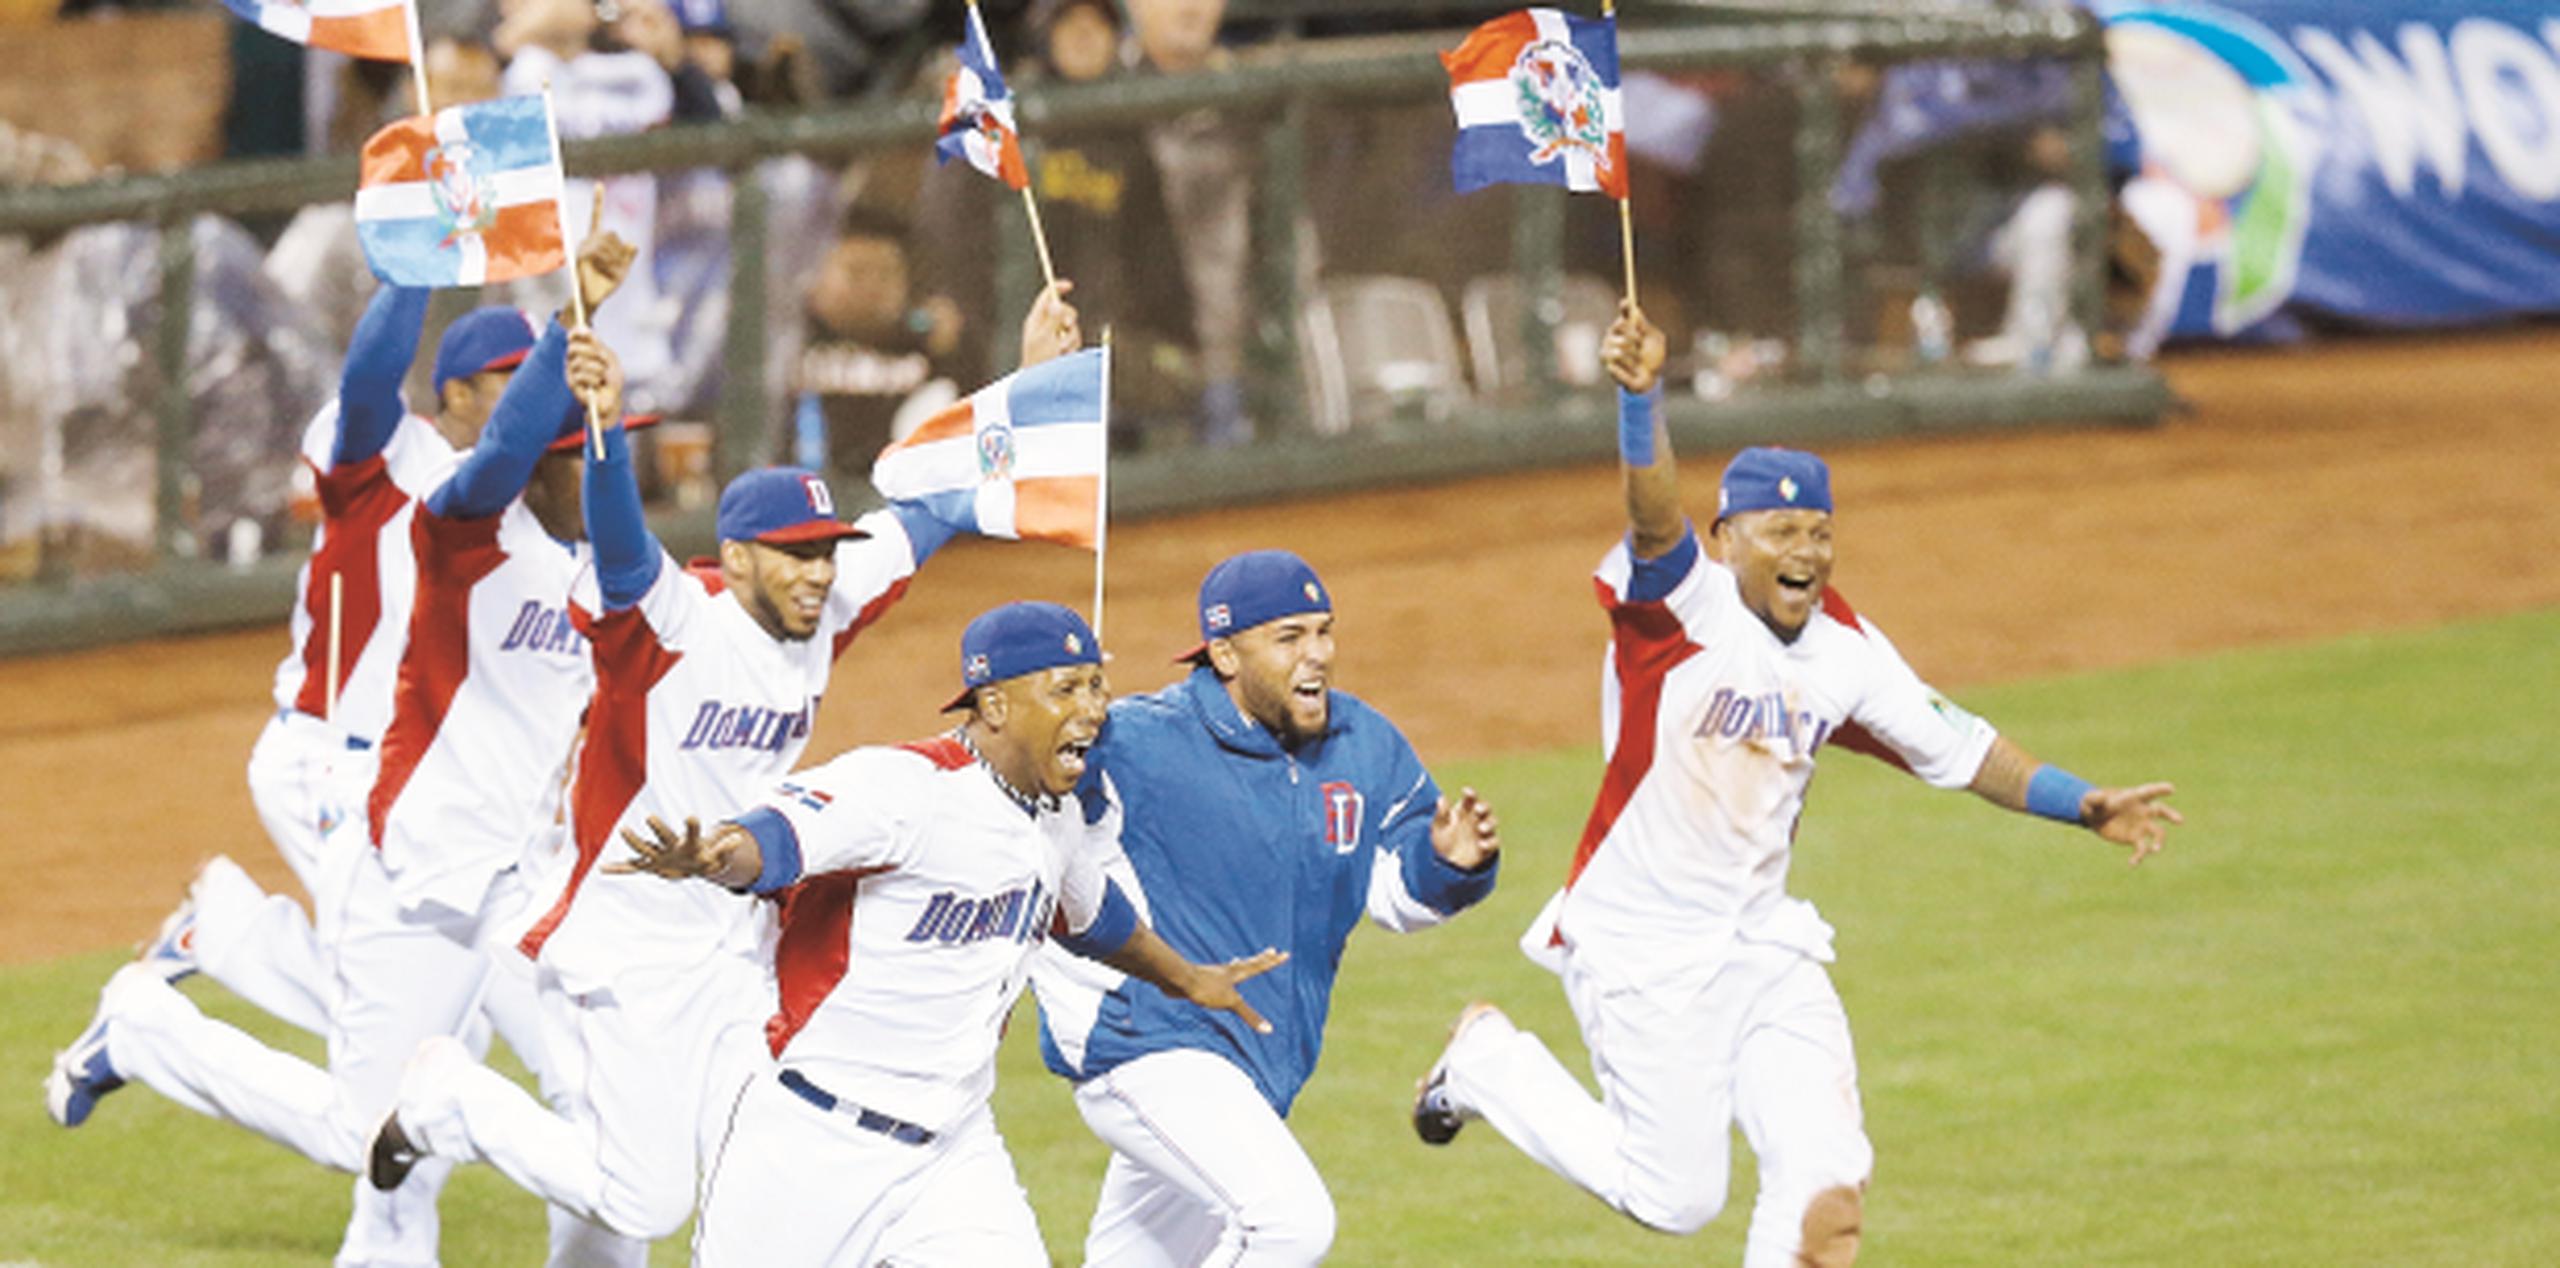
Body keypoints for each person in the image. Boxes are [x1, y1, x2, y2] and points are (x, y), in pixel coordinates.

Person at [1407, 302, 2182, 1267]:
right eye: (1781, 531)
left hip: (1763, 945)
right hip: (1643, 950)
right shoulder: (1680, 612)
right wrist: (1642, 399)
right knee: (1678, 1200)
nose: (1808, 554)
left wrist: (2083, 803)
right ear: (1726, 538)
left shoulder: (1844, 652)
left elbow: (1960, 744)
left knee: (1826, 1191)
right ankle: (1488, 1063)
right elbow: (1653, 519)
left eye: (1821, 532)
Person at [363, 285, 1088, 1264]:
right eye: (793, 558)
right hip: (625, 949)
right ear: (738, 557)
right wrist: (609, 435)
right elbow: (621, 550)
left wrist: (1029, 382)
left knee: (764, 1173)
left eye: (825, 554)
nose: (818, 574)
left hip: (733, 945)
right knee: (641, 1196)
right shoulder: (671, 623)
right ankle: (447, 1095)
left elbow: (932, 506)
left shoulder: (822, 606)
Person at [43, 231, 642, 1267]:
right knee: (404, 1065)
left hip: (470, 816)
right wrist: (419, 252)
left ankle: (226, 937)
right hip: (342, 765)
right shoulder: (401, 464)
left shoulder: (557, 537)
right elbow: (370, 374)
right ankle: (197, 977)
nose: (523, 402)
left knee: (475, 1058)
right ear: (453, 393)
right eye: (503, 383)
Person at [603, 600, 1290, 1265]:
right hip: (810, 1145)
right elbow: (782, 835)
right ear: (994, 705)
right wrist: (718, 855)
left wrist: (1190, 978)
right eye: (1066, 689)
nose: (1092, 709)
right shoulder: (906, 788)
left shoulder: (1053, 817)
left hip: (953, 1155)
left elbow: (1095, 919)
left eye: (1096, 687)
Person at [1029, 549, 1502, 1265]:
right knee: (1288, 1223)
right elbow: (1035, 814)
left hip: (1254, 1072)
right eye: (1289, 638)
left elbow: (1395, 895)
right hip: (1146, 1046)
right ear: (1224, 652)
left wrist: (1449, 864)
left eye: (1323, 631)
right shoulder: (1140, 741)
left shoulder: (1363, 744)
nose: (1318, 656)